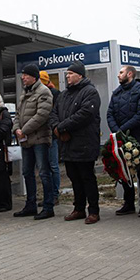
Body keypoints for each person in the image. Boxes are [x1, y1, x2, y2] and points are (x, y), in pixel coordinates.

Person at [51, 61, 102, 225]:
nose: (67, 76)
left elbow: (85, 114)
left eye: (71, 74)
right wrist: (56, 127)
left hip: (85, 143)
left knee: (87, 177)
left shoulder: (90, 92)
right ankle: (79, 209)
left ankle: (93, 211)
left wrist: (62, 127)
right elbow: (53, 113)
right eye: (67, 74)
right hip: (68, 144)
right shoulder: (63, 95)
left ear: (80, 75)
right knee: (74, 178)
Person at [12, 64, 55, 220]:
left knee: (44, 173)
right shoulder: (24, 93)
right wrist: (16, 128)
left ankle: (48, 207)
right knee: (27, 172)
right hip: (26, 140)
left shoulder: (44, 92)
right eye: (22, 75)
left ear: (34, 77)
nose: (23, 78)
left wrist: (24, 130)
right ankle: (30, 205)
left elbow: (41, 115)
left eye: (25, 75)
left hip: (40, 139)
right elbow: (18, 114)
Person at [107, 65, 140, 216]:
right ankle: (129, 203)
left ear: (130, 74)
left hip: (136, 138)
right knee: (124, 171)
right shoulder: (116, 93)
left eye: (121, 72)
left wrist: (123, 129)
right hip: (120, 139)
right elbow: (110, 113)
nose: (118, 75)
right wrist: (116, 131)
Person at [40, 70, 61, 205]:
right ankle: (49, 195)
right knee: (46, 167)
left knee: (52, 166)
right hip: (43, 135)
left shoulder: (54, 94)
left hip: (51, 135)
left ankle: (54, 195)